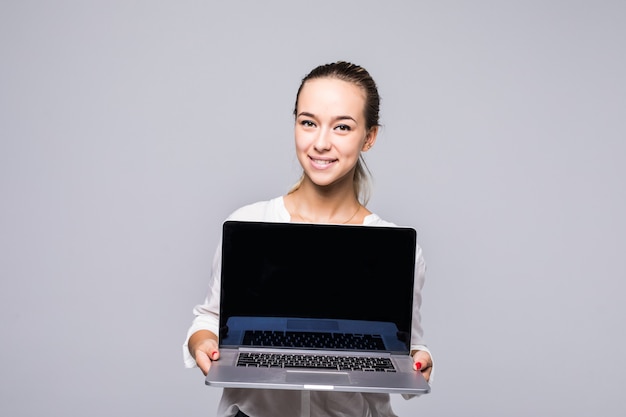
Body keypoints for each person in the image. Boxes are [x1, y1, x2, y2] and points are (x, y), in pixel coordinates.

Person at [183, 61, 433, 417]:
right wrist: (204, 343)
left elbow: (408, 345)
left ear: (369, 136)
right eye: (308, 122)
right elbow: (209, 318)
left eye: (342, 126)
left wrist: (420, 359)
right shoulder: (250, 223)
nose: (320, 143)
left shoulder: (395, 248)